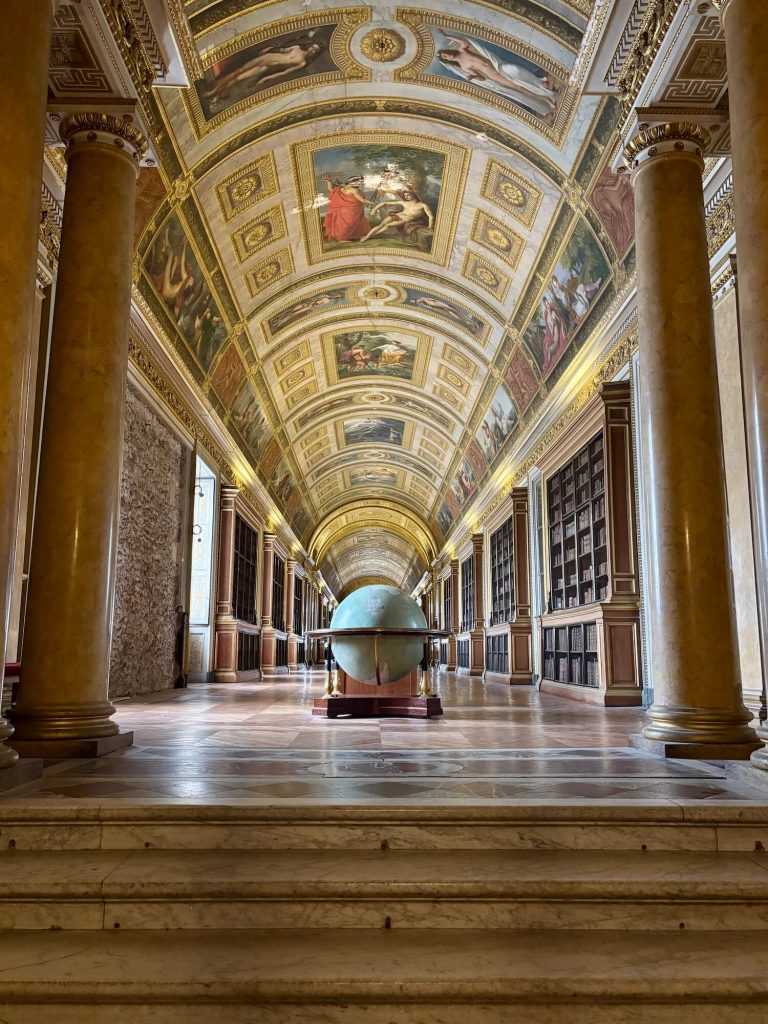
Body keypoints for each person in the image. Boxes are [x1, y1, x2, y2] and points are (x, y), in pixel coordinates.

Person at [437, 35, 558, 119]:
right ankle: (548, 101)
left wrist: (447, 35)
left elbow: (464, 42)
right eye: (445, 57)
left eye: (446, 54)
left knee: (517, 70)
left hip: (497, 66)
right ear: (448, 61)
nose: (447, 56)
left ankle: (541, 85)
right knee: (520, 88)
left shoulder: (462, 50)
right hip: (494, 75)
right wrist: (472, 78)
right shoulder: (464, 67)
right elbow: (481, 78)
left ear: (448, 51)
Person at [204, 39, 325, 105]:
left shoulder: (302, 63)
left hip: (265, 68)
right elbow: (282, 49)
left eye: (315, 51)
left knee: (238, 79)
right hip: (265, 59)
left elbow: (284, 73)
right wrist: (269, 49)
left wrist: (266, 78)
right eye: (313, 48)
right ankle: (214, 91)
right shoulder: (297, 48)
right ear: (310, 46)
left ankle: (217, 96)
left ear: (315, 54)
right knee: (237, 72)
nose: (312, 50)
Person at [361, 192, 434, 242]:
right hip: (397, 215)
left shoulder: (422, 205)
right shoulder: (404, 203)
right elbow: (384, 203)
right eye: (405, 196)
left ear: (413, 195)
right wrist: (374, 210)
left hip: (405, 219)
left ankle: (369, 237)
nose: (406, 197)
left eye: (408, 195)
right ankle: (367, 236)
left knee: (388, 225)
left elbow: (431, 217)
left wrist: (429, 227)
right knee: (381, 225)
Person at [321, 174, 373, 242]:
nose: (360, 184)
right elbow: (362, 199)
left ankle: (350, 236)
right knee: (348, 224)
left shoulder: (342, 188)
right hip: (350, 211)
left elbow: (331, 189)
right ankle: (342, 238)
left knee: (348, 224)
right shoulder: (354, 190)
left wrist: (329, 181)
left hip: (346, 210)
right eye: (360, 183)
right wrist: (375, 204)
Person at [541, 296, 569, 375]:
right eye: (546, 304)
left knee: (549, 350)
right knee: (546, 346)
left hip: (556, 341)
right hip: (553, 339)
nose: (548, 305)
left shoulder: (553, 313)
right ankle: (547, 367)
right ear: (545, 306)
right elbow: (549, 328)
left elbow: (560, 321)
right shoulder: (548, 316)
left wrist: (559, 326)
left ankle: (547, 367)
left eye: (548, 303)